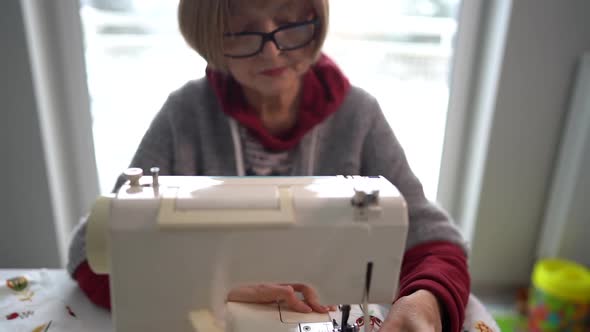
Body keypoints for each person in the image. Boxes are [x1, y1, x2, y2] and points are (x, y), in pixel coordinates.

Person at [67, 0, 470, 331]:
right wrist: (214, 287)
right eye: (243, 30)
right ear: (211, 36)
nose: (271, 50)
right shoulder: (184, 117)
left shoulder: (358, 117)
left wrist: (427, 303)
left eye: (290, 23)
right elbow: (93, 253)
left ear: (316, 17)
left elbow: (434, 245)